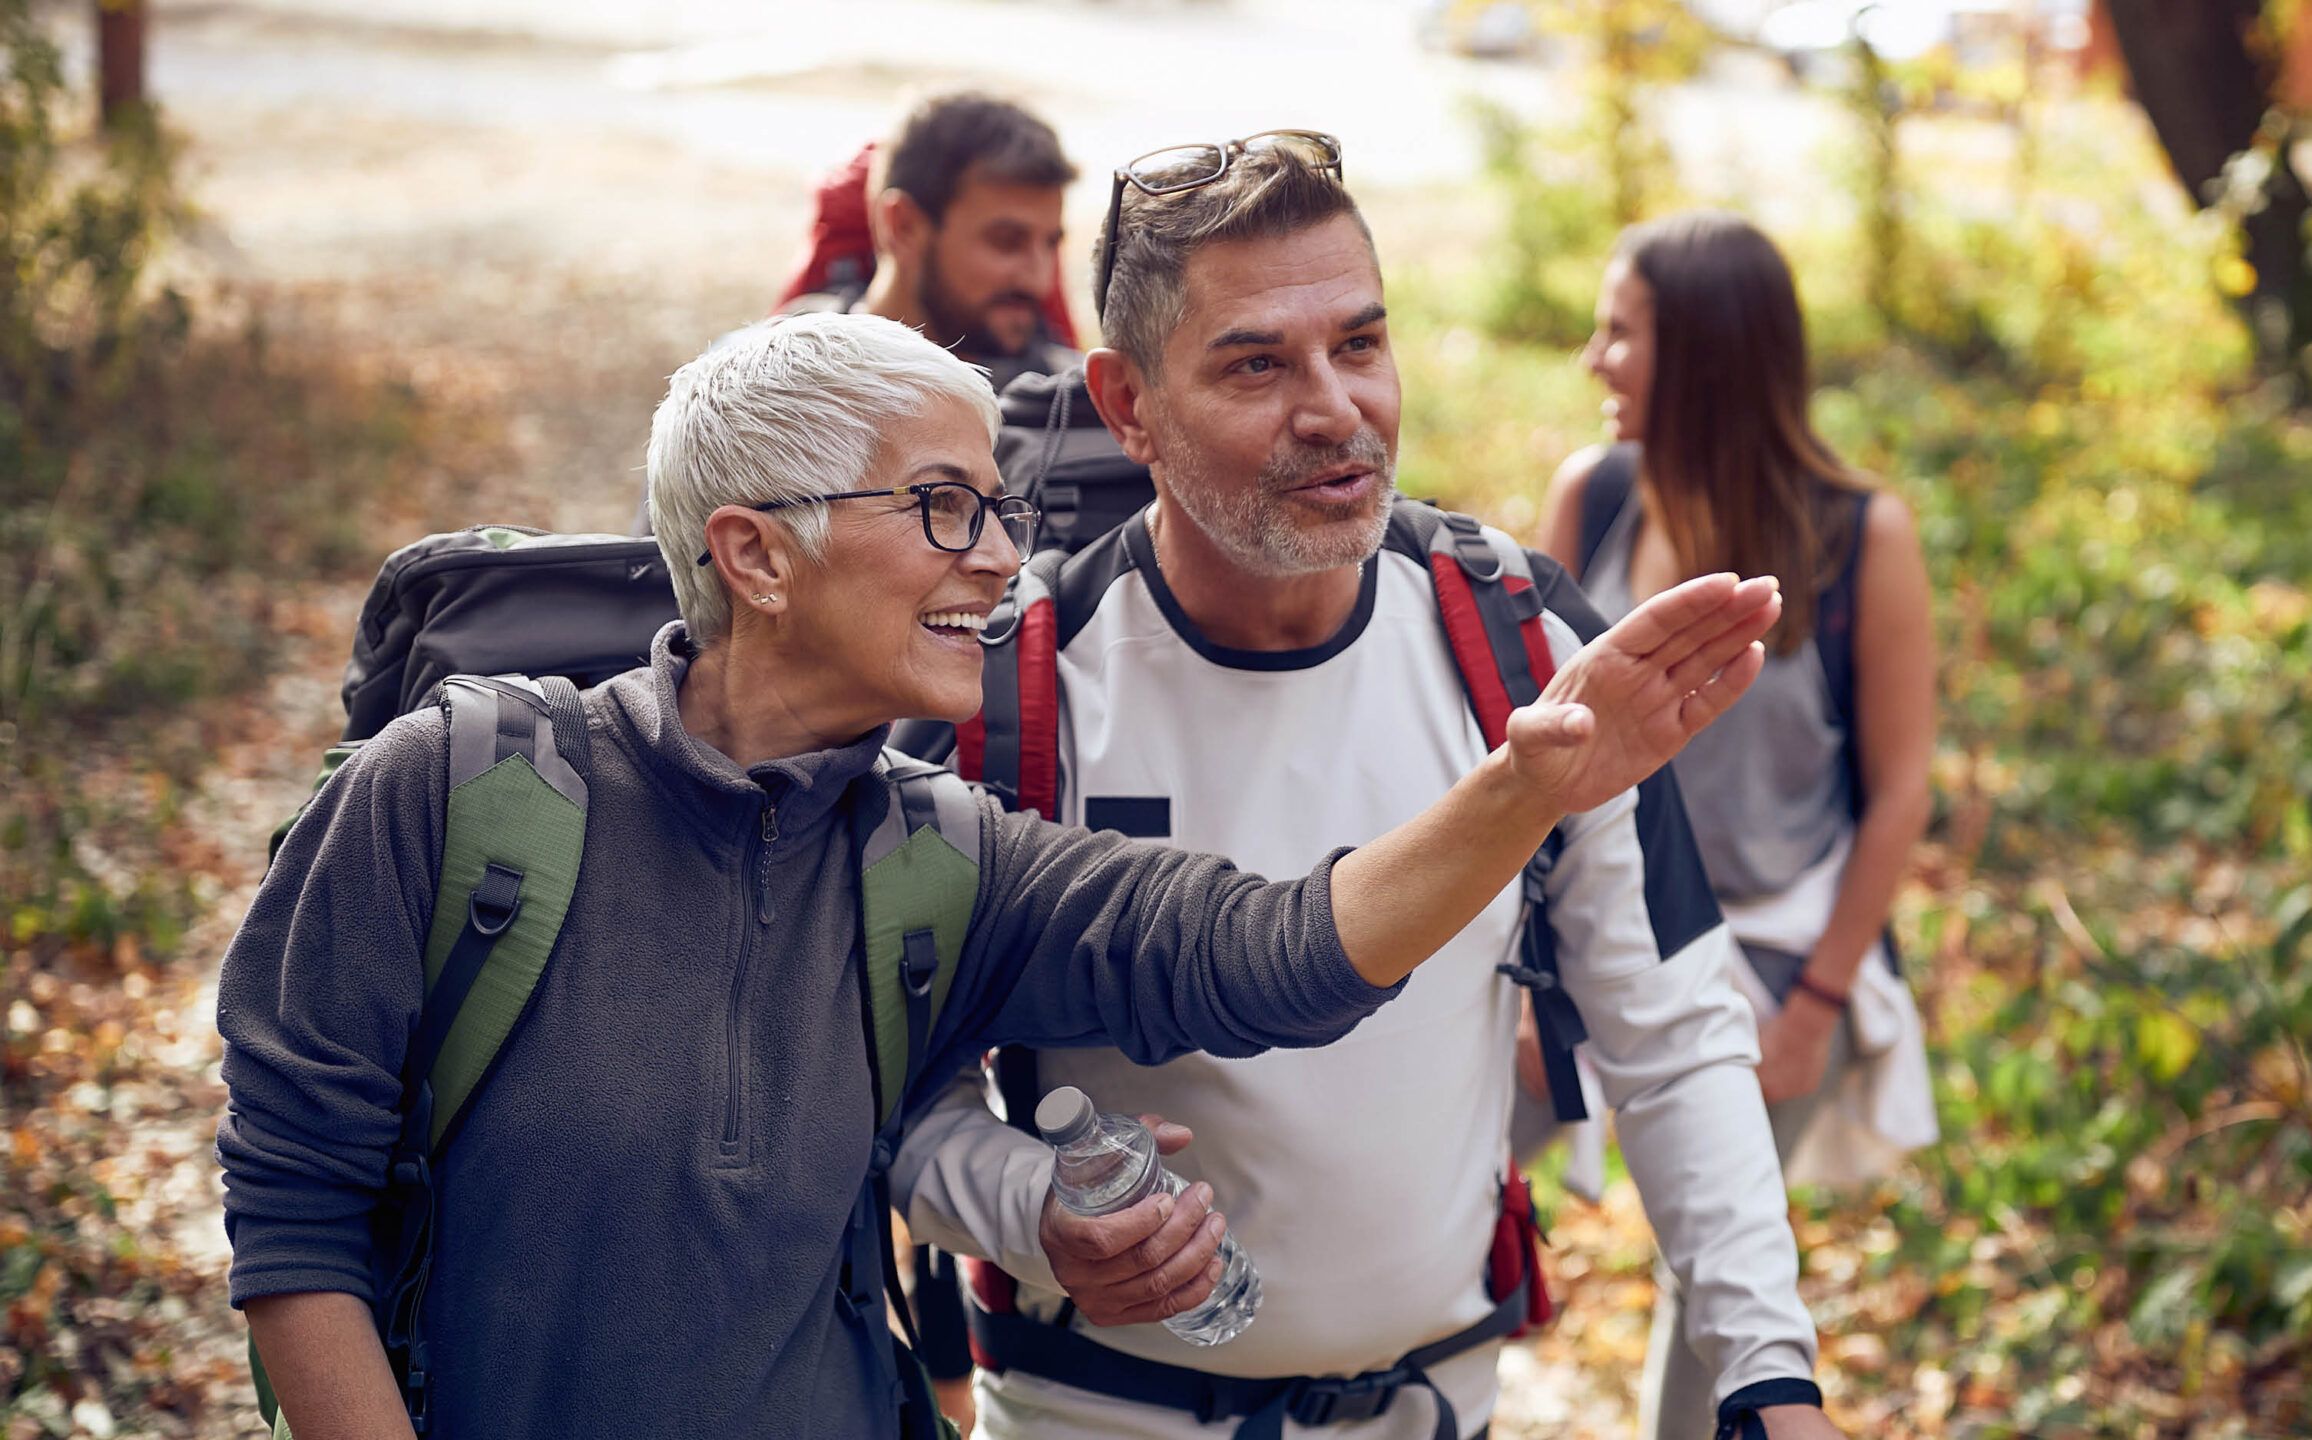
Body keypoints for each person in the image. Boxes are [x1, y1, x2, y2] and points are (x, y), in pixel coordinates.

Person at [215, 311, 1784, 1440]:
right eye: (947, 509)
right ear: (758, 555)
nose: (998, 560)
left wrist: (1528, 785)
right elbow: (294, 1220)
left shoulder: (936, 856)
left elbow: (1272, 955)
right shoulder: (456, 795)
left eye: (1003, 510)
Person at [888, 138, 1843, 1440]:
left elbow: (1673, 1037)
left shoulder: (1521, 644)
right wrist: (1025, 1204)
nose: (1334, 405)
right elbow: (894, 1092)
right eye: (1256, 362)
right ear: (1128, 408)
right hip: (1091, 1412)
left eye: (1361, 343)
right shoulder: (1012, 684)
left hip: (1432, 1405)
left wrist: (1767, 1374)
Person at [1539, 211, 1940, 1440]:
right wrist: (1517, 990)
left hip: (1775, 951)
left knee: (1712, 1270)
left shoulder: (1859, 535)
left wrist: (1815, 1006)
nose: (1595, 360)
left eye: (1623, 332)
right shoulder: (1592, 497)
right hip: (1584, 932)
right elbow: (1528, 749)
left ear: (1707, 350)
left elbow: (1899, 795)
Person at [776, 92, 1081, 391]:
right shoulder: (778, 379)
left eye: (1051, 244)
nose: (1039, 279)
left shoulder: (1076, 404)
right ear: (903, 227)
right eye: (1006, 242)